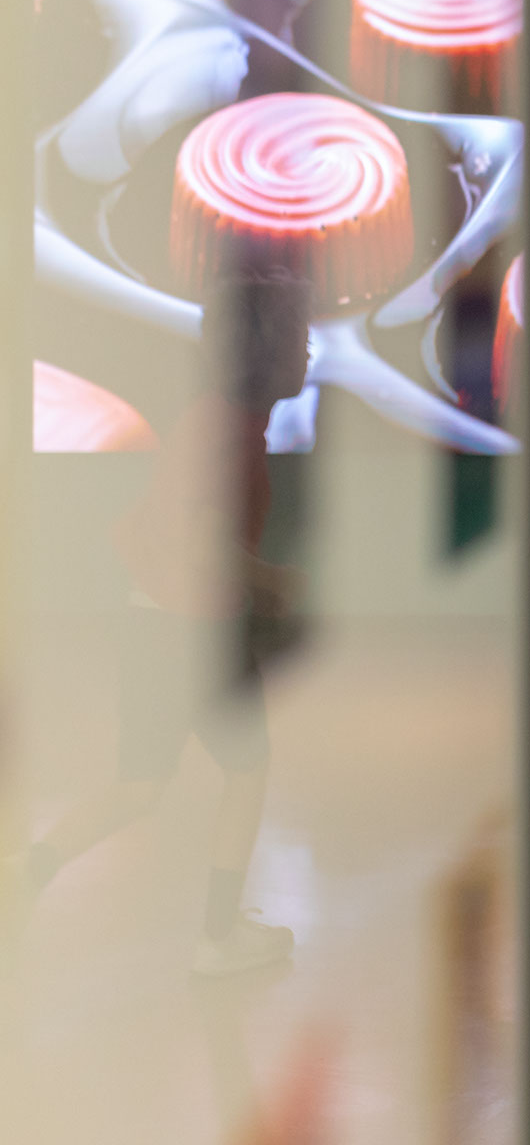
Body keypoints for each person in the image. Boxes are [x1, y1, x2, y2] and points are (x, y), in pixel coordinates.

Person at [14, 272, 310, 977]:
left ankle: (25, 870)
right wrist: (278, 586)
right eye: (299, 340)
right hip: (196, 630)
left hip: (149, 618)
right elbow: (205, 543)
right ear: (265, 353)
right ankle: (217, 939)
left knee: (140, 786)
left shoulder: (214, 417)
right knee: (249, 769)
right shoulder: (234, 434)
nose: (308, 354)